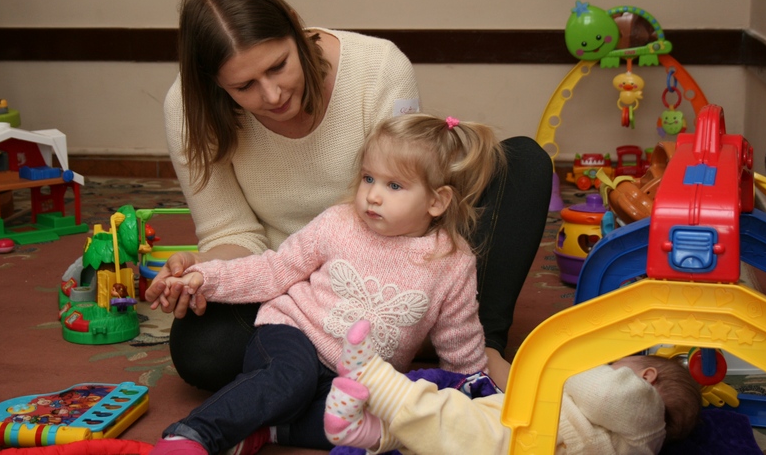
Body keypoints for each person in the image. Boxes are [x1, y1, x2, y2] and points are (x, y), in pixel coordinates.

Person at [145, 0, 552, 393]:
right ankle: (371, 354)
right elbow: (233, 233)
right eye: (244, 86)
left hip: (406, 263)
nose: (272, 95)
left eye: (279, 66)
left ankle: (475, 346)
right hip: (299, 294)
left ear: (296, 27)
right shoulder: (188, 108)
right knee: (202, 350)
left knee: (523, 164)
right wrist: (203, 271)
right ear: (214, 84)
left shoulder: (379, 67)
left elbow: (408, 196)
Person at [148, 114, 506, 454]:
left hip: (357, 376)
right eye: (368, 178)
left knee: (384, 424)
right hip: (294, 333)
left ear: (437, 201)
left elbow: (459, 339)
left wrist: (472, 400)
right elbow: (274, 270)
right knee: (293, 377)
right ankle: (193, 433)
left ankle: (269, 429)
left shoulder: (452, 261)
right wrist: (207, 277)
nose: (373, 195)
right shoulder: (339, 223)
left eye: (394, 185)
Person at [324, 321, 703, 455]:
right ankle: (369, 431)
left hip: (529, 443)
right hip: (520, 424)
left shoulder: (647, 418)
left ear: (646, 377)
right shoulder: (629, 429)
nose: (608, 367)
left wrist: (570, 362)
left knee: (455, 423)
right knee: (450, 427)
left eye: (617, 366)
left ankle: (372, 376)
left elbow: (604, 393)